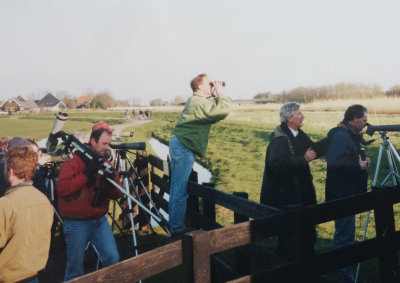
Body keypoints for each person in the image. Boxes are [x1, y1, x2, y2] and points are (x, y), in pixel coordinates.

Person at [57, 122, 124, 281]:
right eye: (104, 144)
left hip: (99, 221)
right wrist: (86, 174)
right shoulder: (73, 160)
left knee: (112, 259)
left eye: (109, 144)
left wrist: (110, 181)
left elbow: (119, 192)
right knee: (75, 270)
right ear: (93, 141)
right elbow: (62, 189)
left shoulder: (104, 164)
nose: (107, 148)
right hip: (76, 223)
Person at [260, 102, 327, 258]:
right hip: (286, 196)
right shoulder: (279, 139)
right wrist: (303, 160)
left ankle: (305, 265)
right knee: (289, 236)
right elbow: (277, 166)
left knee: (306, 234)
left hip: (301, 193)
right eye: (299, 113)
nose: (302, 115)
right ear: (289, 118)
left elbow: (314, 150)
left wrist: (333, 136)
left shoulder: (298, 134)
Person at [168, 73, 231, 236]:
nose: (211, 85)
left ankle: (174, 226)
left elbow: (214, 113)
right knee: (179, 190)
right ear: (199, 86)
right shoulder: (197, 102)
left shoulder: (197, 101)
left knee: (177, 189)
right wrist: (220, 93)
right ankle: (176, 230)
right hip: (183, 147)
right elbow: (221, 112)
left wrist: (216, 93)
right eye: (209, 83)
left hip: (181, 145)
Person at [325, 104, 370, 283]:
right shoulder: (342, 136)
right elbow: (335, 163)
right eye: (364, 121)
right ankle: (345, 278)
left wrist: (360, 162)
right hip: (342, 195)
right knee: (344, 238)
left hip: (347, 193)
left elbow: (345, 159)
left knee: (346, 236)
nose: (366, 125)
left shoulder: (348, 134)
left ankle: (345, 274)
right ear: (354, 119)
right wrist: (357, 166)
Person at [0, 146, 54, 283]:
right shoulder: (43, 200)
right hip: (33, 273)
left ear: (10, 172)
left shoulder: (6, 204)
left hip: (8, 276)